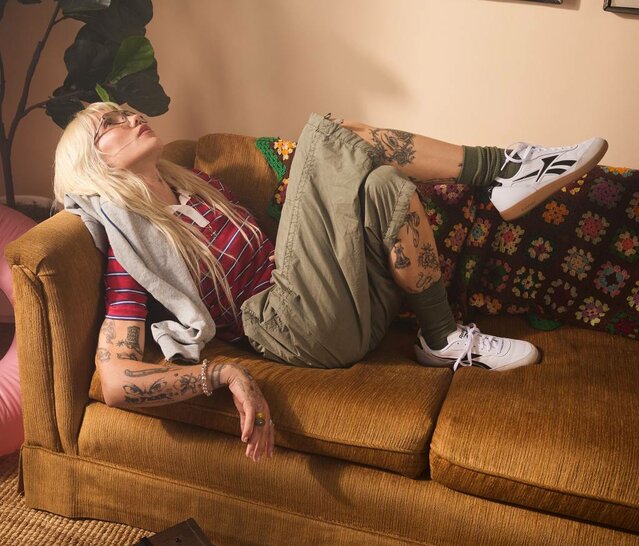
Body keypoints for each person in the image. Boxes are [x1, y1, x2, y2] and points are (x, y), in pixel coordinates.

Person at [53, 104, 607, 462]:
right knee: (335, 134)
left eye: (126, 110)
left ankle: (441, 337)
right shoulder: (132, 247)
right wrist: (222, 373)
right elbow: (117, 381)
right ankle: (506, 169)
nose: (132, 116)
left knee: (385, 182)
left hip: (338, 305)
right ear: (90, 162)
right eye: (111, 123)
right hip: (293, 327)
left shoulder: (196, 184)